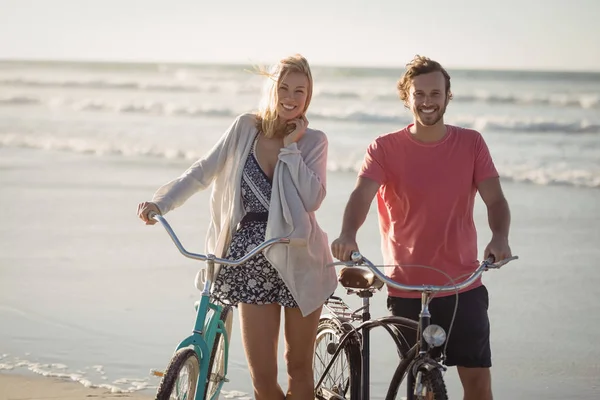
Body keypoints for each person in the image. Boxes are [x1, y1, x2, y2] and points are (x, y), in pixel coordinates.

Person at [137, 54, 337, 400]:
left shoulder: (313, 141)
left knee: (299, 368)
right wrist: (162, 203)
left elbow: (312, 198)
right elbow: (203, 170)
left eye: (299, 91)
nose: (290, 97)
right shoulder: (246, 127)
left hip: (300, 259)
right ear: (271, 89)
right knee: (262, 377)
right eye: (283, 88)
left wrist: (290, 149)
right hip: (249, 262)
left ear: (309, 96)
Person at [331, 55, 512, 400]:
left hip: (463, 285)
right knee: (423, 386)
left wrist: (499, 237)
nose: (428, 101)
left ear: (447, 96)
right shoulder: (384, 148)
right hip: (406, 288)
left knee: (478, 384)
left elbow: (496, 201)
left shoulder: (472, 144)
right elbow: (361, 196)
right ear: (407, 96)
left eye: (435, 93)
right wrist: (348, 233)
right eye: (420, 94)